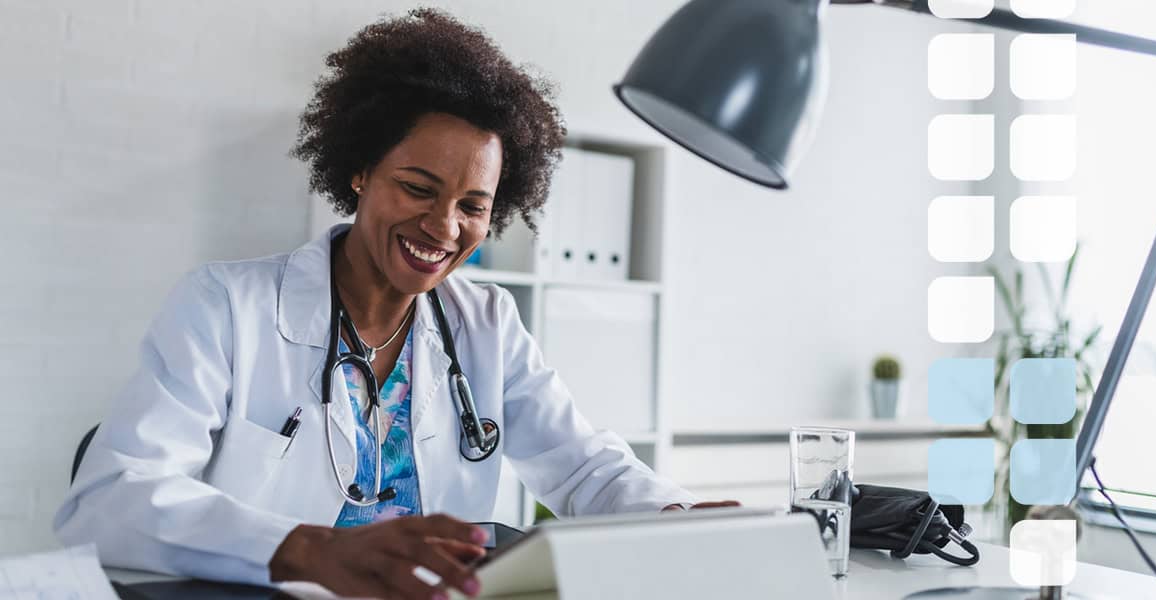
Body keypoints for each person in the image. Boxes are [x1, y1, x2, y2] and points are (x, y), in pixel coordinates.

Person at [54, 9, 734, 600]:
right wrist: (311, 548)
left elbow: (585, 466)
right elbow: (108, 503)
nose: (444, 227)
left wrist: (677, 517)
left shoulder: (486, 322)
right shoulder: (226, 306)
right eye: (417, 187)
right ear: (360, 171)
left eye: (474, 206)